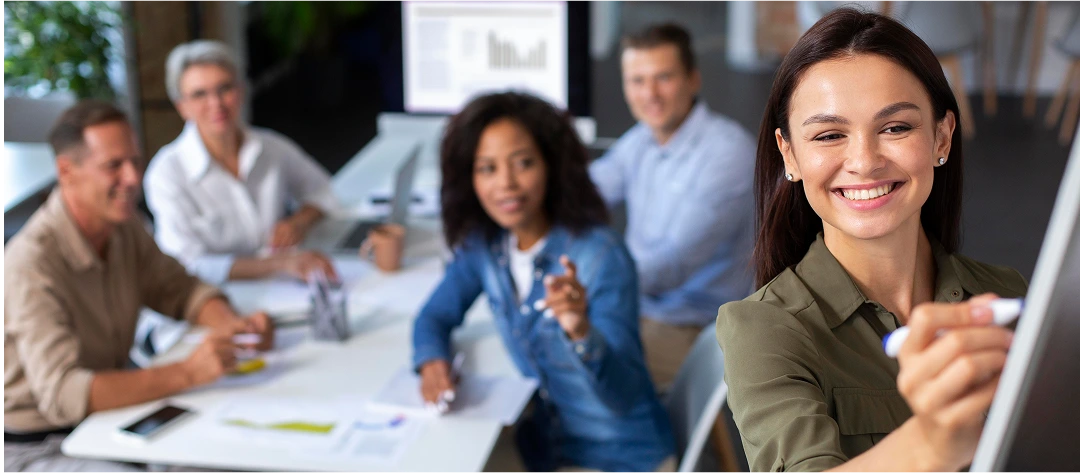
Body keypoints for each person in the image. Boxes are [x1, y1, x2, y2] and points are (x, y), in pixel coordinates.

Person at [716, 9, 1027, 473]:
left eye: (895, 127)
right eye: (828, 135)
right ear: (790, 155)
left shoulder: (1009, 296)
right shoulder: (764, 329)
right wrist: (932, 444)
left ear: (942, 137)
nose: (864, 161)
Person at [3, 100, 275, 472]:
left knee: (235, 452)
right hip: (43, 444)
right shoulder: (30, 263)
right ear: (67, 171)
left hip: (113, 419)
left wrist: (231, 327)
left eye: (135, 160)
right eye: (114, 165)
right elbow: (64, 395)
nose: (133, 178)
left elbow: (179, 289)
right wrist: (189, 372)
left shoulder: (124, 227)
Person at [412, 92, 675, 473]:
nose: (506, 184)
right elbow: (434, 315)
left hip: (619, 458)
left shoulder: (600, 256)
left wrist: (581, 332)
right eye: (487, 168)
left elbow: (623, 394)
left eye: (523, 163)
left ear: (551, 164)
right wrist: (431, 361)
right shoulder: (485, 244)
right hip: (544, 448)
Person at [589, 23, 756, 390]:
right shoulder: (643, 139)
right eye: (637, 80)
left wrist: (589, 281)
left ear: (693, 79)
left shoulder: (727, 153)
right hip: (638, 310)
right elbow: (585, 194)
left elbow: (672, 267)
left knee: (568, 360)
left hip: (690, 330)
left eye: (663, 78)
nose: (649, 94)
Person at [144, 39, 338, 286]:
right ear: (182, 107)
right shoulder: (167, 173)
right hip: (222, 296)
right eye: (199, 94)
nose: (216, 104)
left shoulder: (270, 147)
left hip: (285, 286)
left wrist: (298, 222)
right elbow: (187, 263)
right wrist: (280, 263)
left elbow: (323, 191)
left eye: (224, 88)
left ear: (241, 91)